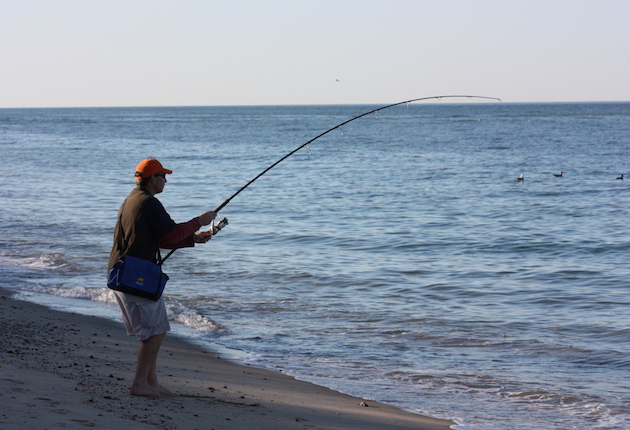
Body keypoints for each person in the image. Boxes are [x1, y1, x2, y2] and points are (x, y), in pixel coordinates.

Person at [108, 158, 216, 398]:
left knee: (152, 329)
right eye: (163, 176)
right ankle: (139, 384)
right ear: (152, 179)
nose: (166, 181)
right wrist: (199, 220)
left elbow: (166, 239)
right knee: (155, 330)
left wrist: (193, 239)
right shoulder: (148, 203)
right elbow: (173, 232)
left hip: (124, 271)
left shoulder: (132, 200)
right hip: (134, 274)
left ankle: (151, 381)